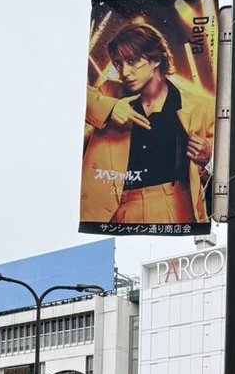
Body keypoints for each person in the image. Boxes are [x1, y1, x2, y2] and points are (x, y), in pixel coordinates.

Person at [82, 21, 214, 228]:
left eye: (132, 61)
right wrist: (110, 108)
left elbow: (229, 169)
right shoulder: (109, 92)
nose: (124, 72)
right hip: (115, 209)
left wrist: (209, 158)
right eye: (118, 64)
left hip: (174, 205)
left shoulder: (200, 107)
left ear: (156, 59)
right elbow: (72, 94)